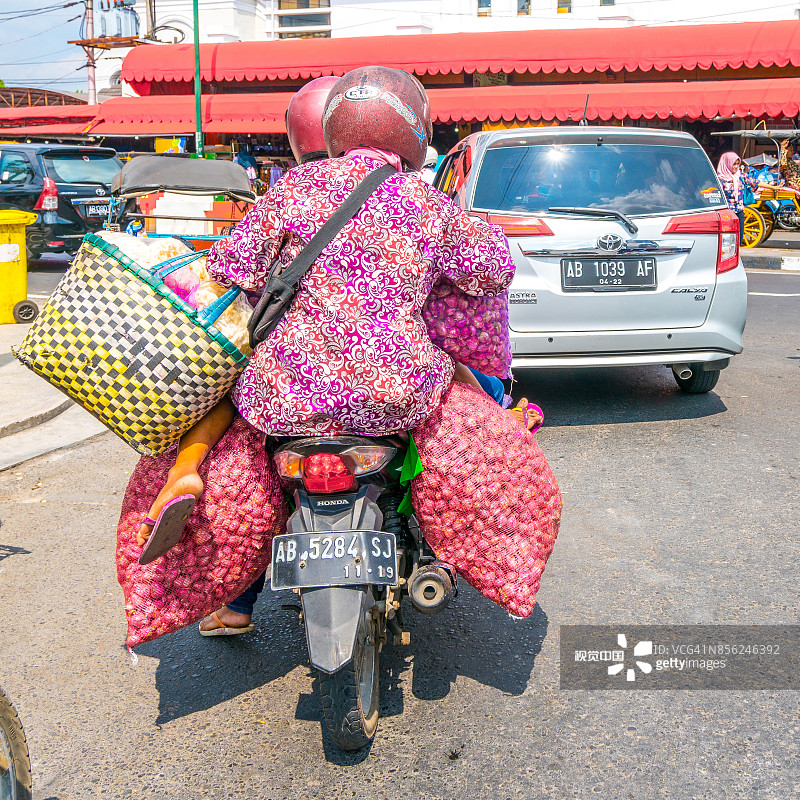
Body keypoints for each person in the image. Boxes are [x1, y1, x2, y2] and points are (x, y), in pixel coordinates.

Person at [140, 68, 537, 633]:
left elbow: (228, 267)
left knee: (247, 475)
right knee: (475, 426)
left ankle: (227, 572)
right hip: (396, 393)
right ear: (413, 131)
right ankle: (440, 544)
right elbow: (494, 268)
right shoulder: (426, 204)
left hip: (283, 397)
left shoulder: (291, 191)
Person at [716, 152, 774, 243]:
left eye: (737, 164)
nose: (735, 167)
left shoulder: (740, 176)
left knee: (738, 240)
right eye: (733, 164)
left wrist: (773, 187)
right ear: (726, 164)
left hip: (739, 212)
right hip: (726, 215)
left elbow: (756, 182)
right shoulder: (719, 180)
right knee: (726, 241)